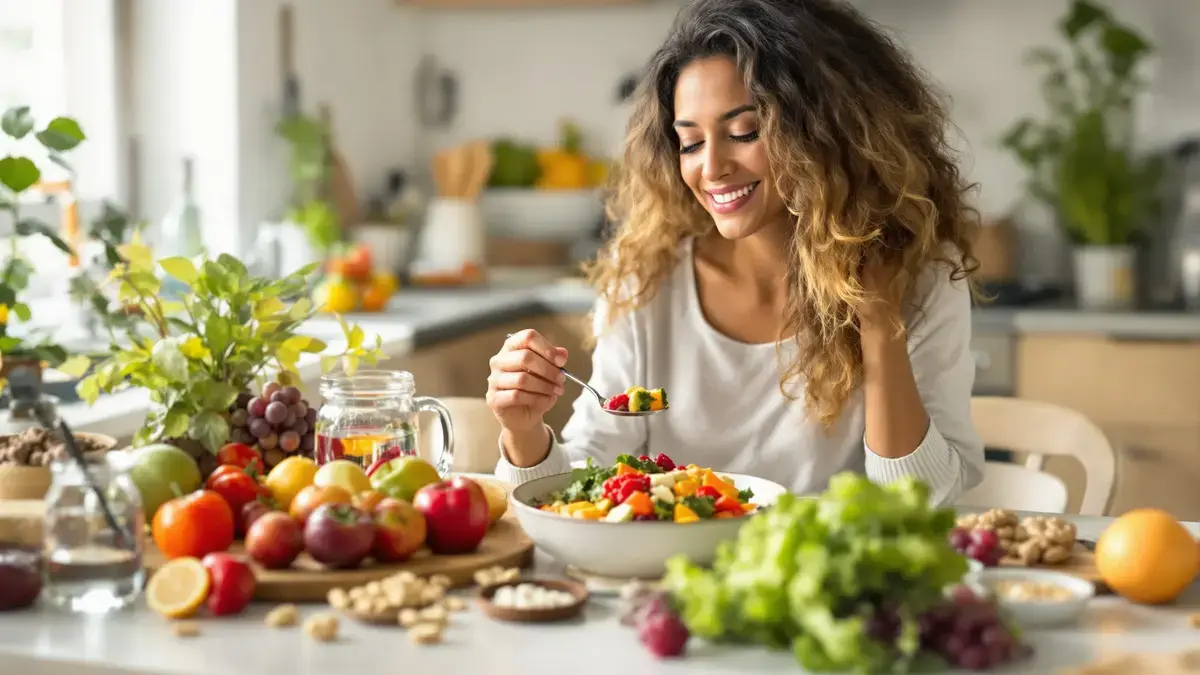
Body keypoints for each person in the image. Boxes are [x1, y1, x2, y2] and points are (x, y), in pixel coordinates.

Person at [485, 0, 985, 505]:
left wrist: (880, 325)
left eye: (744, 132)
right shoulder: (647, 285)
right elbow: (581, 481)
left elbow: (924, 501)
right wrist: (524, 434)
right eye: (690, 143)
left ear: (829, 133)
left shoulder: (921, 281)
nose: (713, 167)